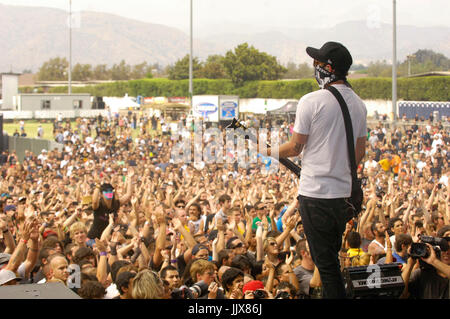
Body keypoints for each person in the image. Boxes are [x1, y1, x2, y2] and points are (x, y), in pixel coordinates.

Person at [267, 41, 367, 298]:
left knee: (327, 266)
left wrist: (268, 151)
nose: (314, 68)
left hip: (317, 197)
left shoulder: (311, 101)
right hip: (343, 196)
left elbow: (295, 147)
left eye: (317, 64)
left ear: (327, 68)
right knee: (331, 259)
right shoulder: (359, 104)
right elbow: (359, 154)